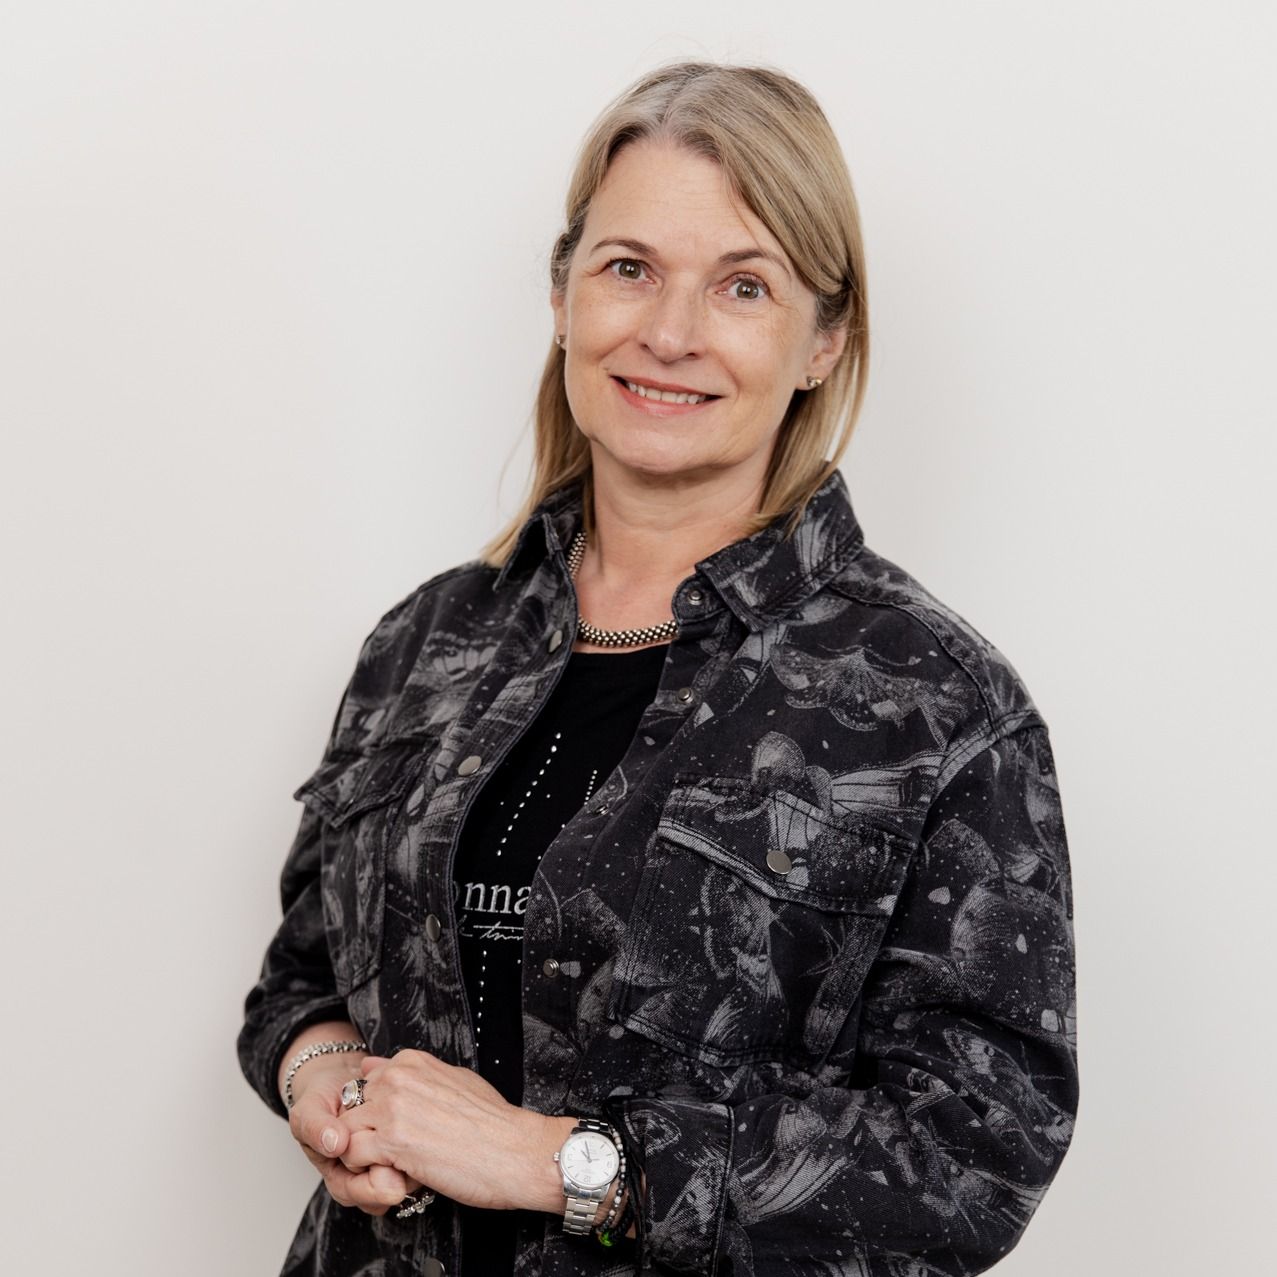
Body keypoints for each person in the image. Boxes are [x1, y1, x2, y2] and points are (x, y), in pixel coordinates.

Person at [238, 59, 1078, 1277]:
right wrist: (321, 1074)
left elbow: (974, 1152)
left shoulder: (936, 707)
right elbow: (302, 974)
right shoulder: (425, 642)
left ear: (822, 340)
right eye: (628, 267)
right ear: (562, 295)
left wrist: (558, 1160)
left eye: (742, 285)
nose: (669, 333)